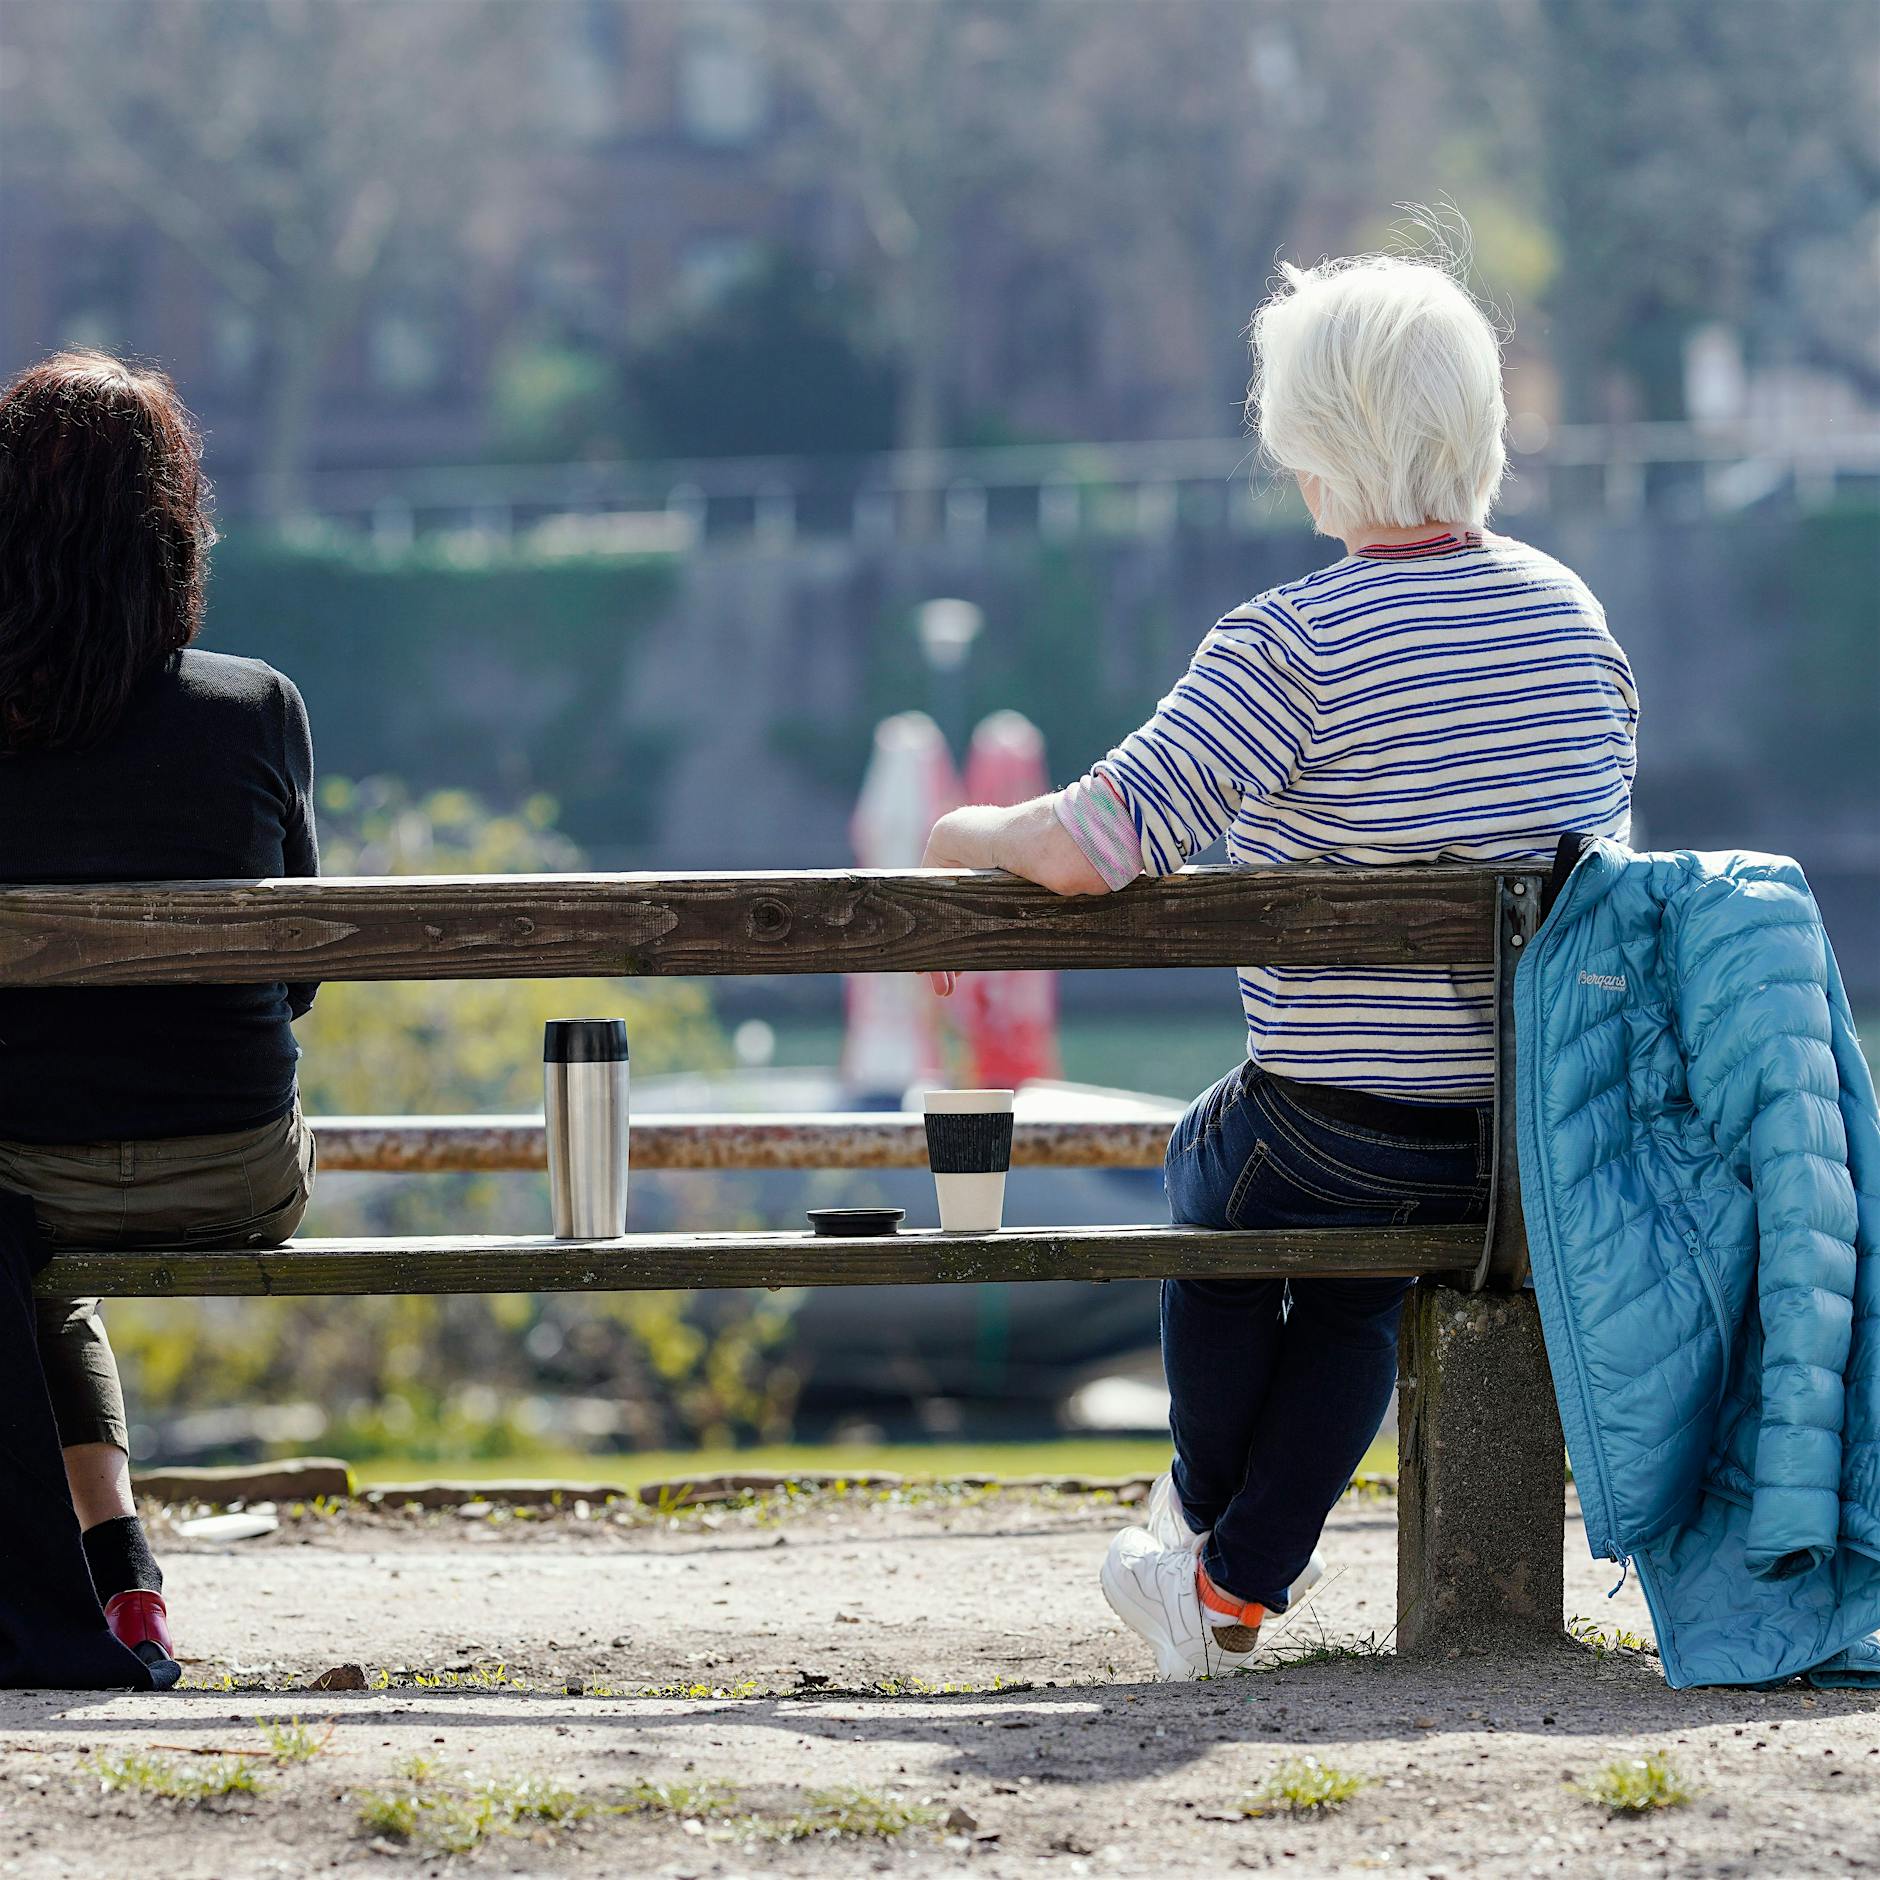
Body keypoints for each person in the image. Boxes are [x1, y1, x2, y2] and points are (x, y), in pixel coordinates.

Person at [922, 252, 1637, 1679]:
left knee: (1214, 1172)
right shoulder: (1573, 618)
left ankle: (1199, 1513)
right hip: (1527, 1142)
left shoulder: (1293, 643)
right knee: (1353, 1291)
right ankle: (1231, 1587)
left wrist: (963, 832)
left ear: (1316, 448)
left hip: (1336, 1132)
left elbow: (1096, 841)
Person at [0, 352, 320, 1674]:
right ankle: (125, 1578)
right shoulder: (252, 711)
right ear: (171, 528)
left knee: (19, 1242)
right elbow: (298, 974)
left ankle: (113, 1570)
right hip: (237, 1169)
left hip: (22, 1168)